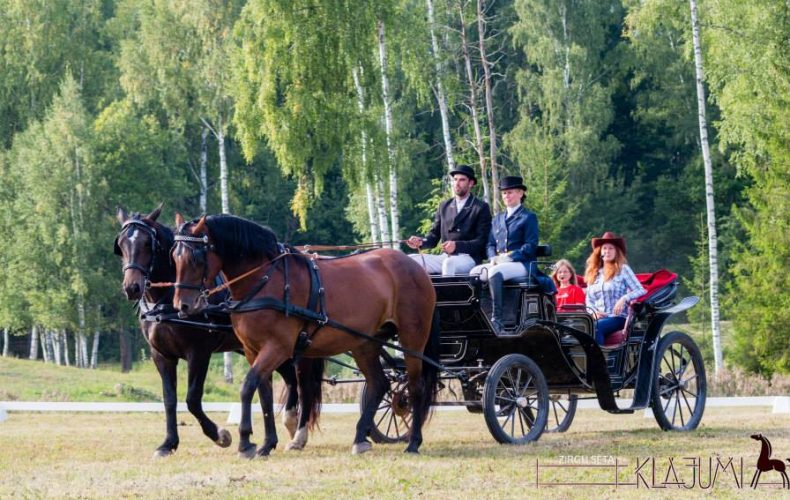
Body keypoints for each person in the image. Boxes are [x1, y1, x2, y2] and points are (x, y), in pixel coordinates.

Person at [470, 176, 539, 335]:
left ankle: (497, 320)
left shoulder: (528, 217)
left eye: (510, 192)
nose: (506, 196)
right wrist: (492, 257)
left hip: (522, 264)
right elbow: (490, 244)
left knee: (494, 272)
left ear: (520, 193)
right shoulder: (497, 219)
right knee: (475, 272)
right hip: (499, 263)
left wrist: (508, 257)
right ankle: (478, 316)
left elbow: (530, 246)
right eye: (504, 193)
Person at [406, 165, 492, 276]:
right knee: (410, 260)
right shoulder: (444, 206)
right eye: (455, 179)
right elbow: (433, 236)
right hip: (446, 256)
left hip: (469, 258)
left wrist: (457, 246)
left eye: (462, 180)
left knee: (449, 263)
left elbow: (482, 241)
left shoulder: (480, 207)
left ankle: (449, 288)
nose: (457, 183)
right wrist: (420, 242)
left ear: (471, 183)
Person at [583, 232, 646, 344]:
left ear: (616, 251)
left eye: (611, 248)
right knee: (579, 328)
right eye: (604, 248)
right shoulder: (593, 273)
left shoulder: (623, 269)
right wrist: (593, 313)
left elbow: (641, 290)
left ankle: (599, 356)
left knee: (596, 327)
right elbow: (589, 300)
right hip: (596, 317)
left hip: (617, 318)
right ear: (600, 252)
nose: (607, 251)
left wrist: (624, 298)